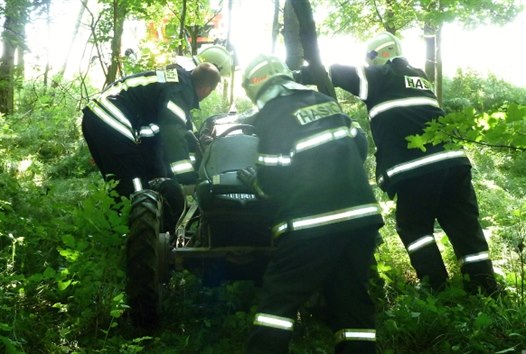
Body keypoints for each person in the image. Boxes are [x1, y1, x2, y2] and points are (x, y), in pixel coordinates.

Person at [328, 32, 499, 295]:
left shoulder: (379, 76)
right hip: (453, 163)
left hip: (417, 166)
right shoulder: (418, 76)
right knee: (464, 225)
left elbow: (336, 72)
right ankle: (485, 286)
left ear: (376, 57)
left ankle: (435, 286)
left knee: (413, 227)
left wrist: (305, 73)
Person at [239, 54, 384, 354]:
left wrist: (252, 182)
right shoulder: (323, 100)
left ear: (257, 89)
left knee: (278, 304)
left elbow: (272, 181)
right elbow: (359, 144)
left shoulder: (272, 114)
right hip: (360, 218)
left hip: (310, 226)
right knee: (351, 303)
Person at [81, 62, 221, 200]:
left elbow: (156, 140)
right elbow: (173, 136)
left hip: (95, 116)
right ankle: (133, 218)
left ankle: (122, 217)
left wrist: (160, 176)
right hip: (111, 115)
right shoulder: (179, 92)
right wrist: (188, 178)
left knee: (118, 180)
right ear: (207, 89)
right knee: (133, 184)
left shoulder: (173, 83)